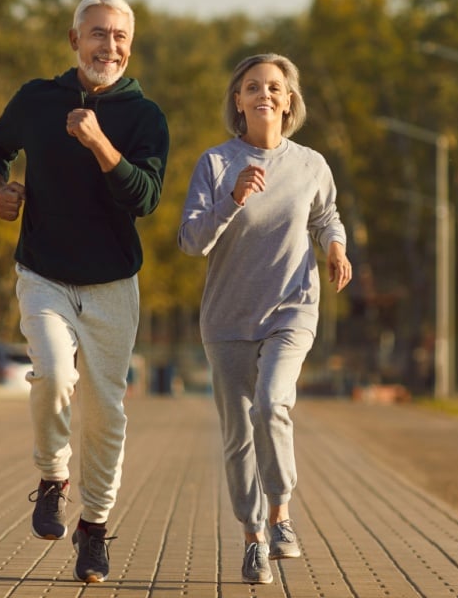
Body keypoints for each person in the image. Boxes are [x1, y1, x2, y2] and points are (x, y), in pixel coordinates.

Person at [0, 0, 169, 584]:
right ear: (73, 40)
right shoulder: (37, 99)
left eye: (119, 37)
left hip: (112, 283)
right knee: (56, 375)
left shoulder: (145, 118)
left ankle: (94, 528)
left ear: (129, 47)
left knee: (106, 413)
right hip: (44, 271)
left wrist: (98, 143)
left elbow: (145, 199)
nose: (108, 46)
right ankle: (52, 477)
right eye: (97, 33)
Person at [177, 53, 352, 585]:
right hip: (227, 319)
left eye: (275, 87)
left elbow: (326, 216)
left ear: (289, 100)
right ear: (238, 101)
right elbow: (191, 242)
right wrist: (231, 199)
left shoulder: (310, 164)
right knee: (238, 435)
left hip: (292, 307)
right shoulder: (215, 164)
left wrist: (336, 248)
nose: (265, 94)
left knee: (273, 404)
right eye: (253, 87)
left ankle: (280, 514)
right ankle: (253, 538)